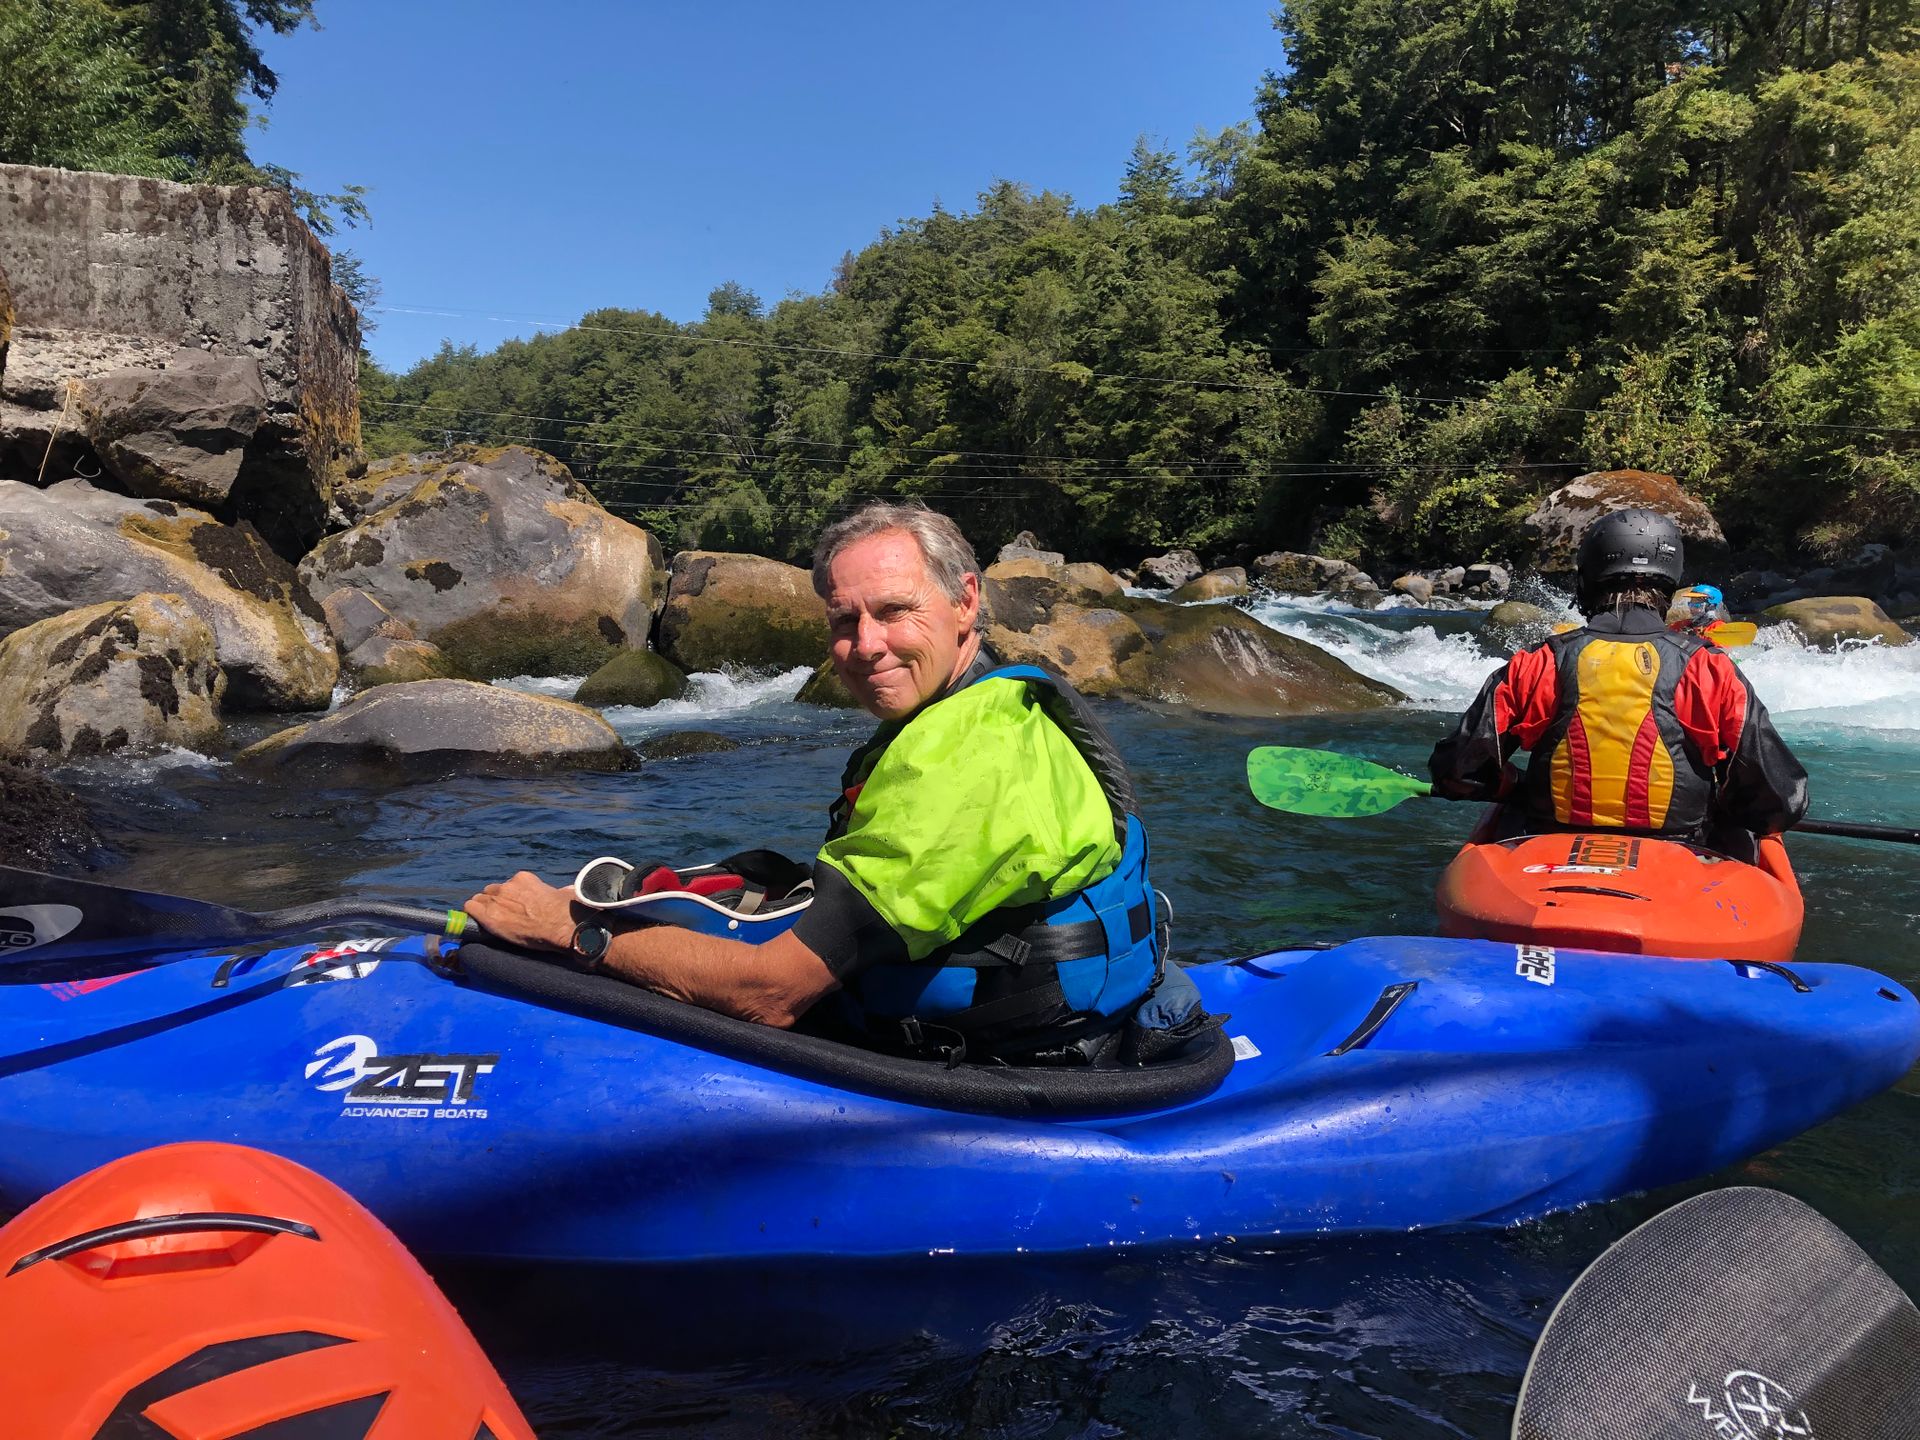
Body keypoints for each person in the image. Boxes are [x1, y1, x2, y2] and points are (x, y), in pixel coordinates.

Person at [465, 502, 1189, 1063]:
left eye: (896, 610)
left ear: (967, 601)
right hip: (1071, 1015)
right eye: (846, 619)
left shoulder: (965, 757)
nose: (866, 645)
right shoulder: (991, 706)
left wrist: (570, 931)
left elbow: (771, 994)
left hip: (1019, 1061)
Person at [1428, 508, 1808, 856]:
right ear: (1670, 586)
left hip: (1546, 846)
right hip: (1682, 851)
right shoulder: (1710, 669)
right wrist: (1719, 804)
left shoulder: (1537, 662)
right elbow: (1779, 799)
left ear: (1586, 583)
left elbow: (1458, 772)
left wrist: (1514, 785)